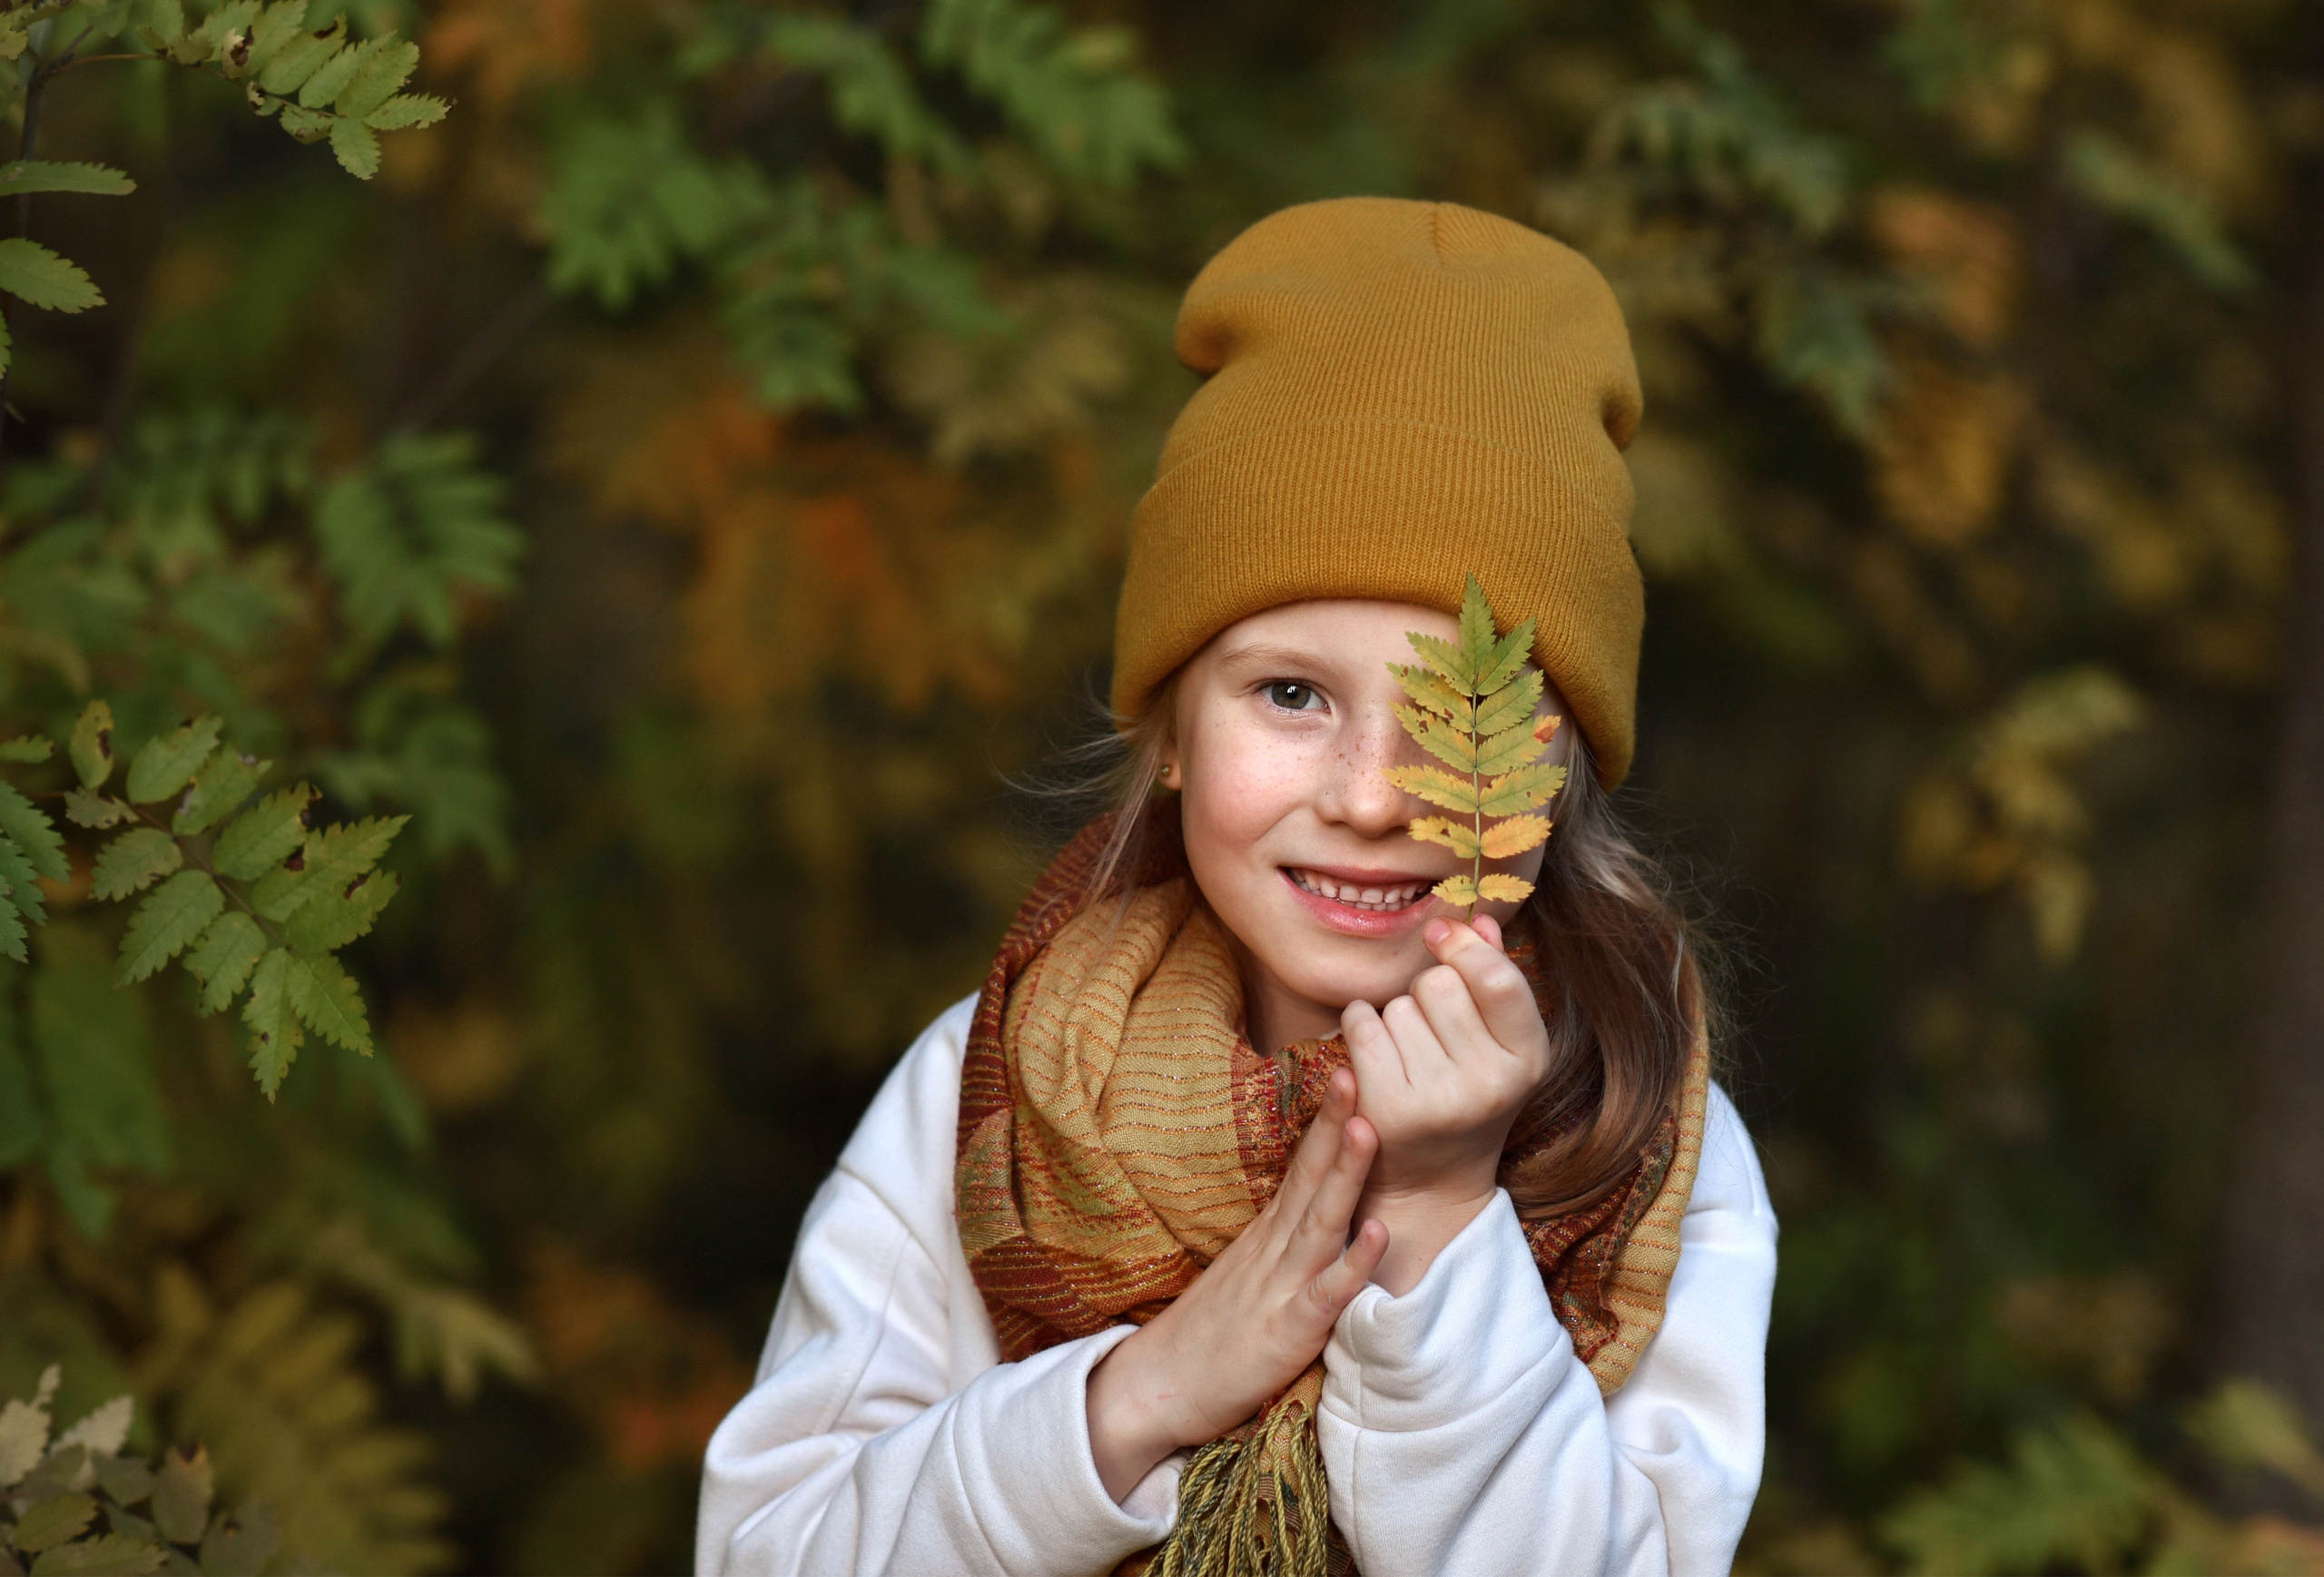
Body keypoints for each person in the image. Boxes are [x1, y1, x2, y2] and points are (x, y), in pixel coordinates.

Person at [696, 197, 1778, 1577]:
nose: (1374, 795)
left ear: (1555, 760)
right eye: (1289, 694)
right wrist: (1143, 1394)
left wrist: (1447, 1214)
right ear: (1170, 731)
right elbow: (767, 1554)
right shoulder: (997, 1084)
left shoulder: (1644, 1130)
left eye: (1456, 719)